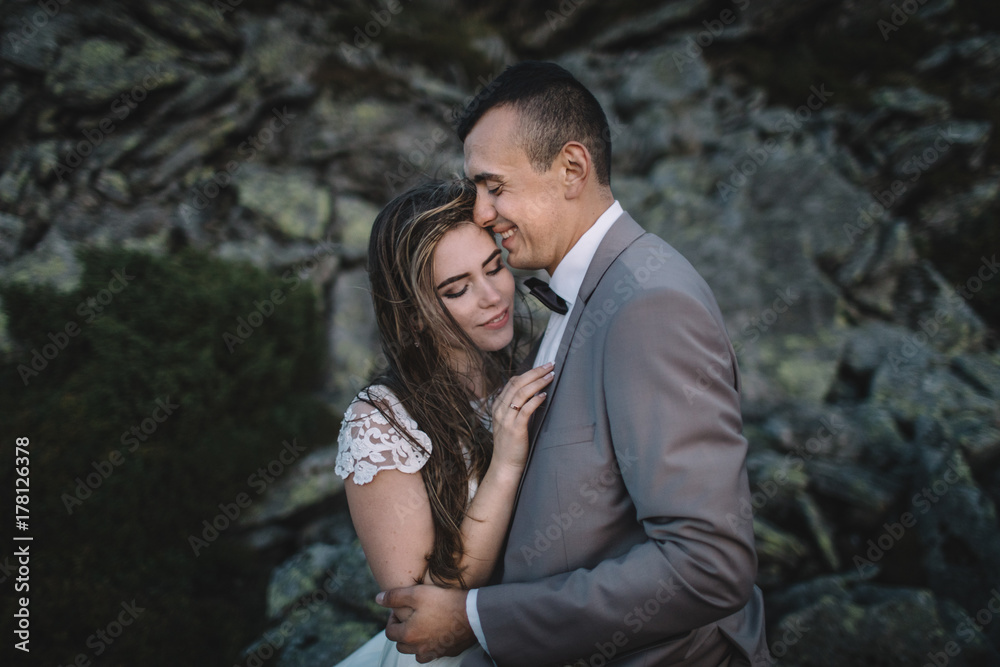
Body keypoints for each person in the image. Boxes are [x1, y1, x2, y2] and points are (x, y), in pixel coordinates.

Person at [375, 62, 771, 666]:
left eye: (494, 186)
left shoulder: (649, 305)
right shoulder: (581, 293)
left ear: (571, 169)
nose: (479, 212)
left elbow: (708, 564)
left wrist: (478, 621)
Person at [332, 179, 555, 666]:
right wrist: (506, 463)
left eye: (494, 267)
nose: (493, 296)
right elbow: (423, 617)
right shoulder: (380, 425)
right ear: (412, 317)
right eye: (457, 289)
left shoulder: (529, 365)